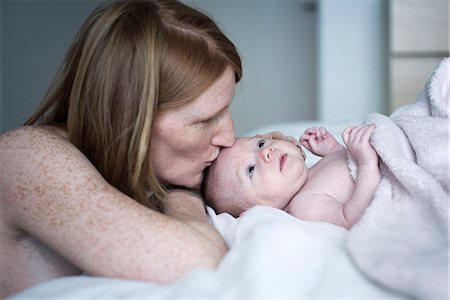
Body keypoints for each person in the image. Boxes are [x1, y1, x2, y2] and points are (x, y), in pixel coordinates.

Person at [0, 0, 259, 297]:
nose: (229, 135)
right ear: (130, 117)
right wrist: (183, 194)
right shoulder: (26, 156)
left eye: (225, 110)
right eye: (205, 120)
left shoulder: (134, 173)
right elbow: (195, 261)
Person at [203, 125, 381, 229]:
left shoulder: (310, 173)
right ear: (255, 211)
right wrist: (367, 164)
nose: (266, 151)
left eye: (260, 144)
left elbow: (345, 170)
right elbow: (351, 218)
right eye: (250, 169)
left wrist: (334, 150)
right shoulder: (304, 206)